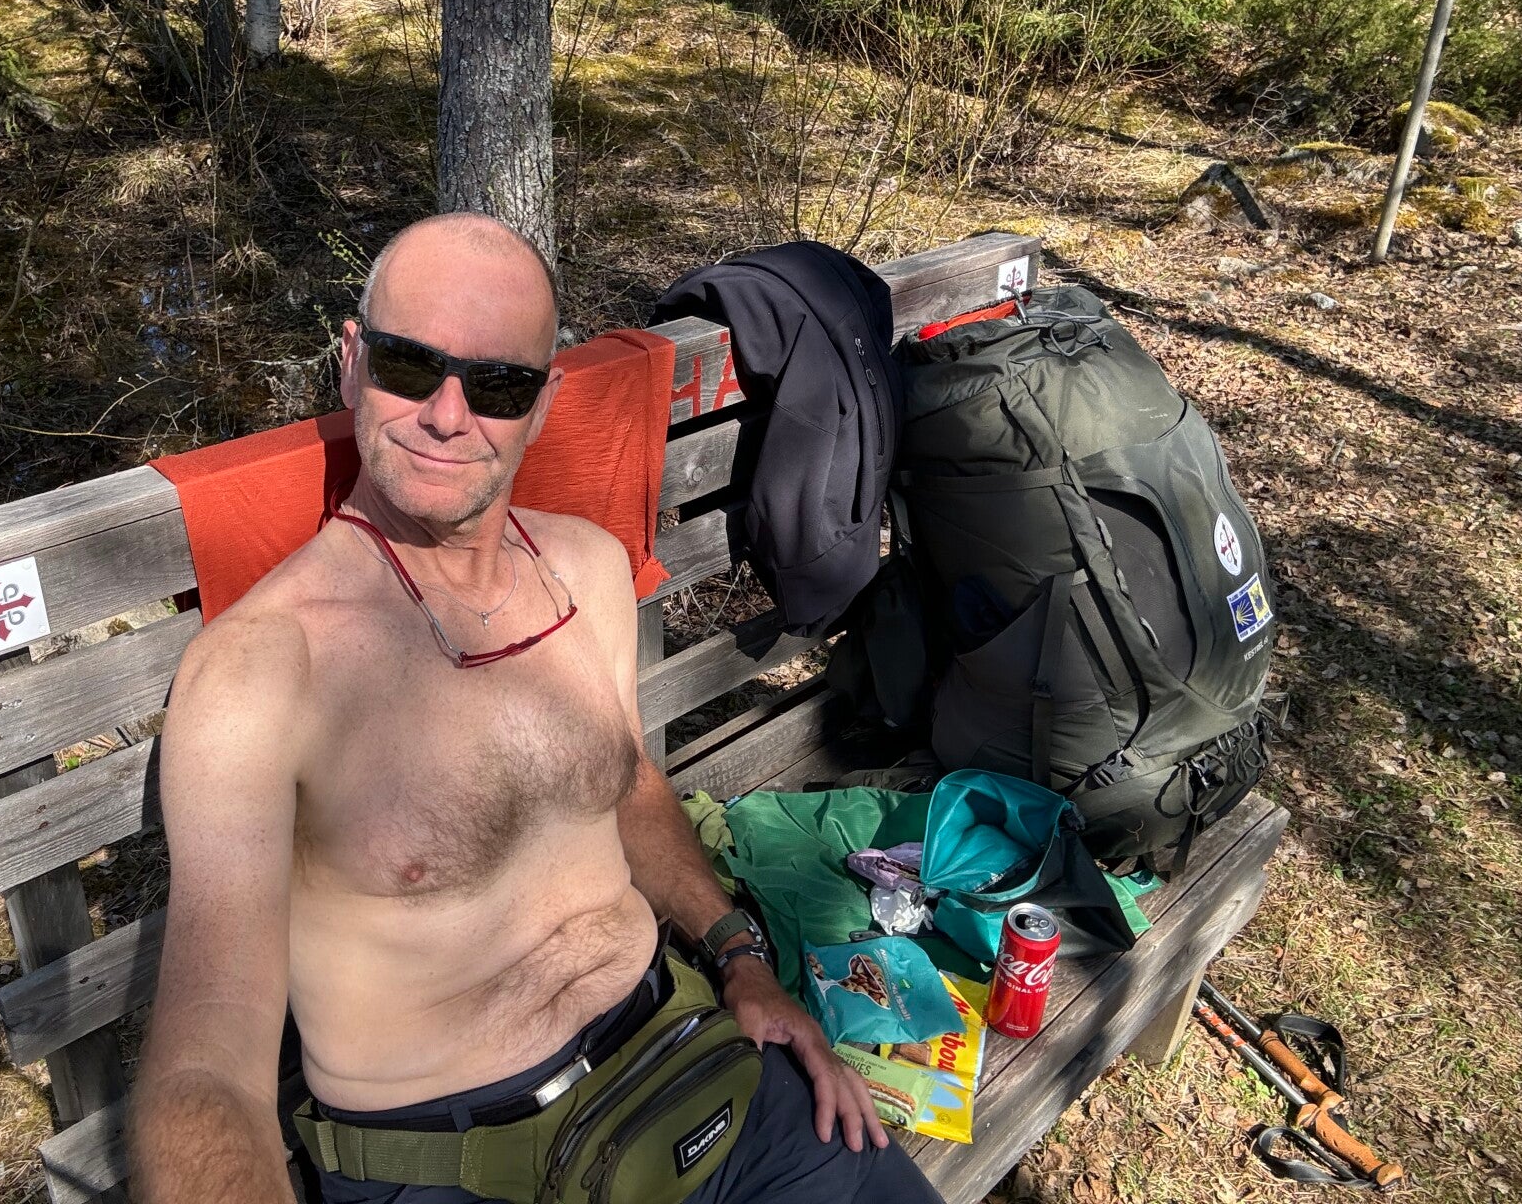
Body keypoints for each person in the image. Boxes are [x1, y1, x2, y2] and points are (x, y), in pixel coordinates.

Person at [126, 212, 942, 1204]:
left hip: (690, 1065)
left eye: (499, 385)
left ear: (544, 403)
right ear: (351, 363)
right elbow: (206, 1067)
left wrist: (740, 959)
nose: (446, 416)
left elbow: (631, 787)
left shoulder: (585, 570)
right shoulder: (262, 669)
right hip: (455, 1163)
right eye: (408, 365)